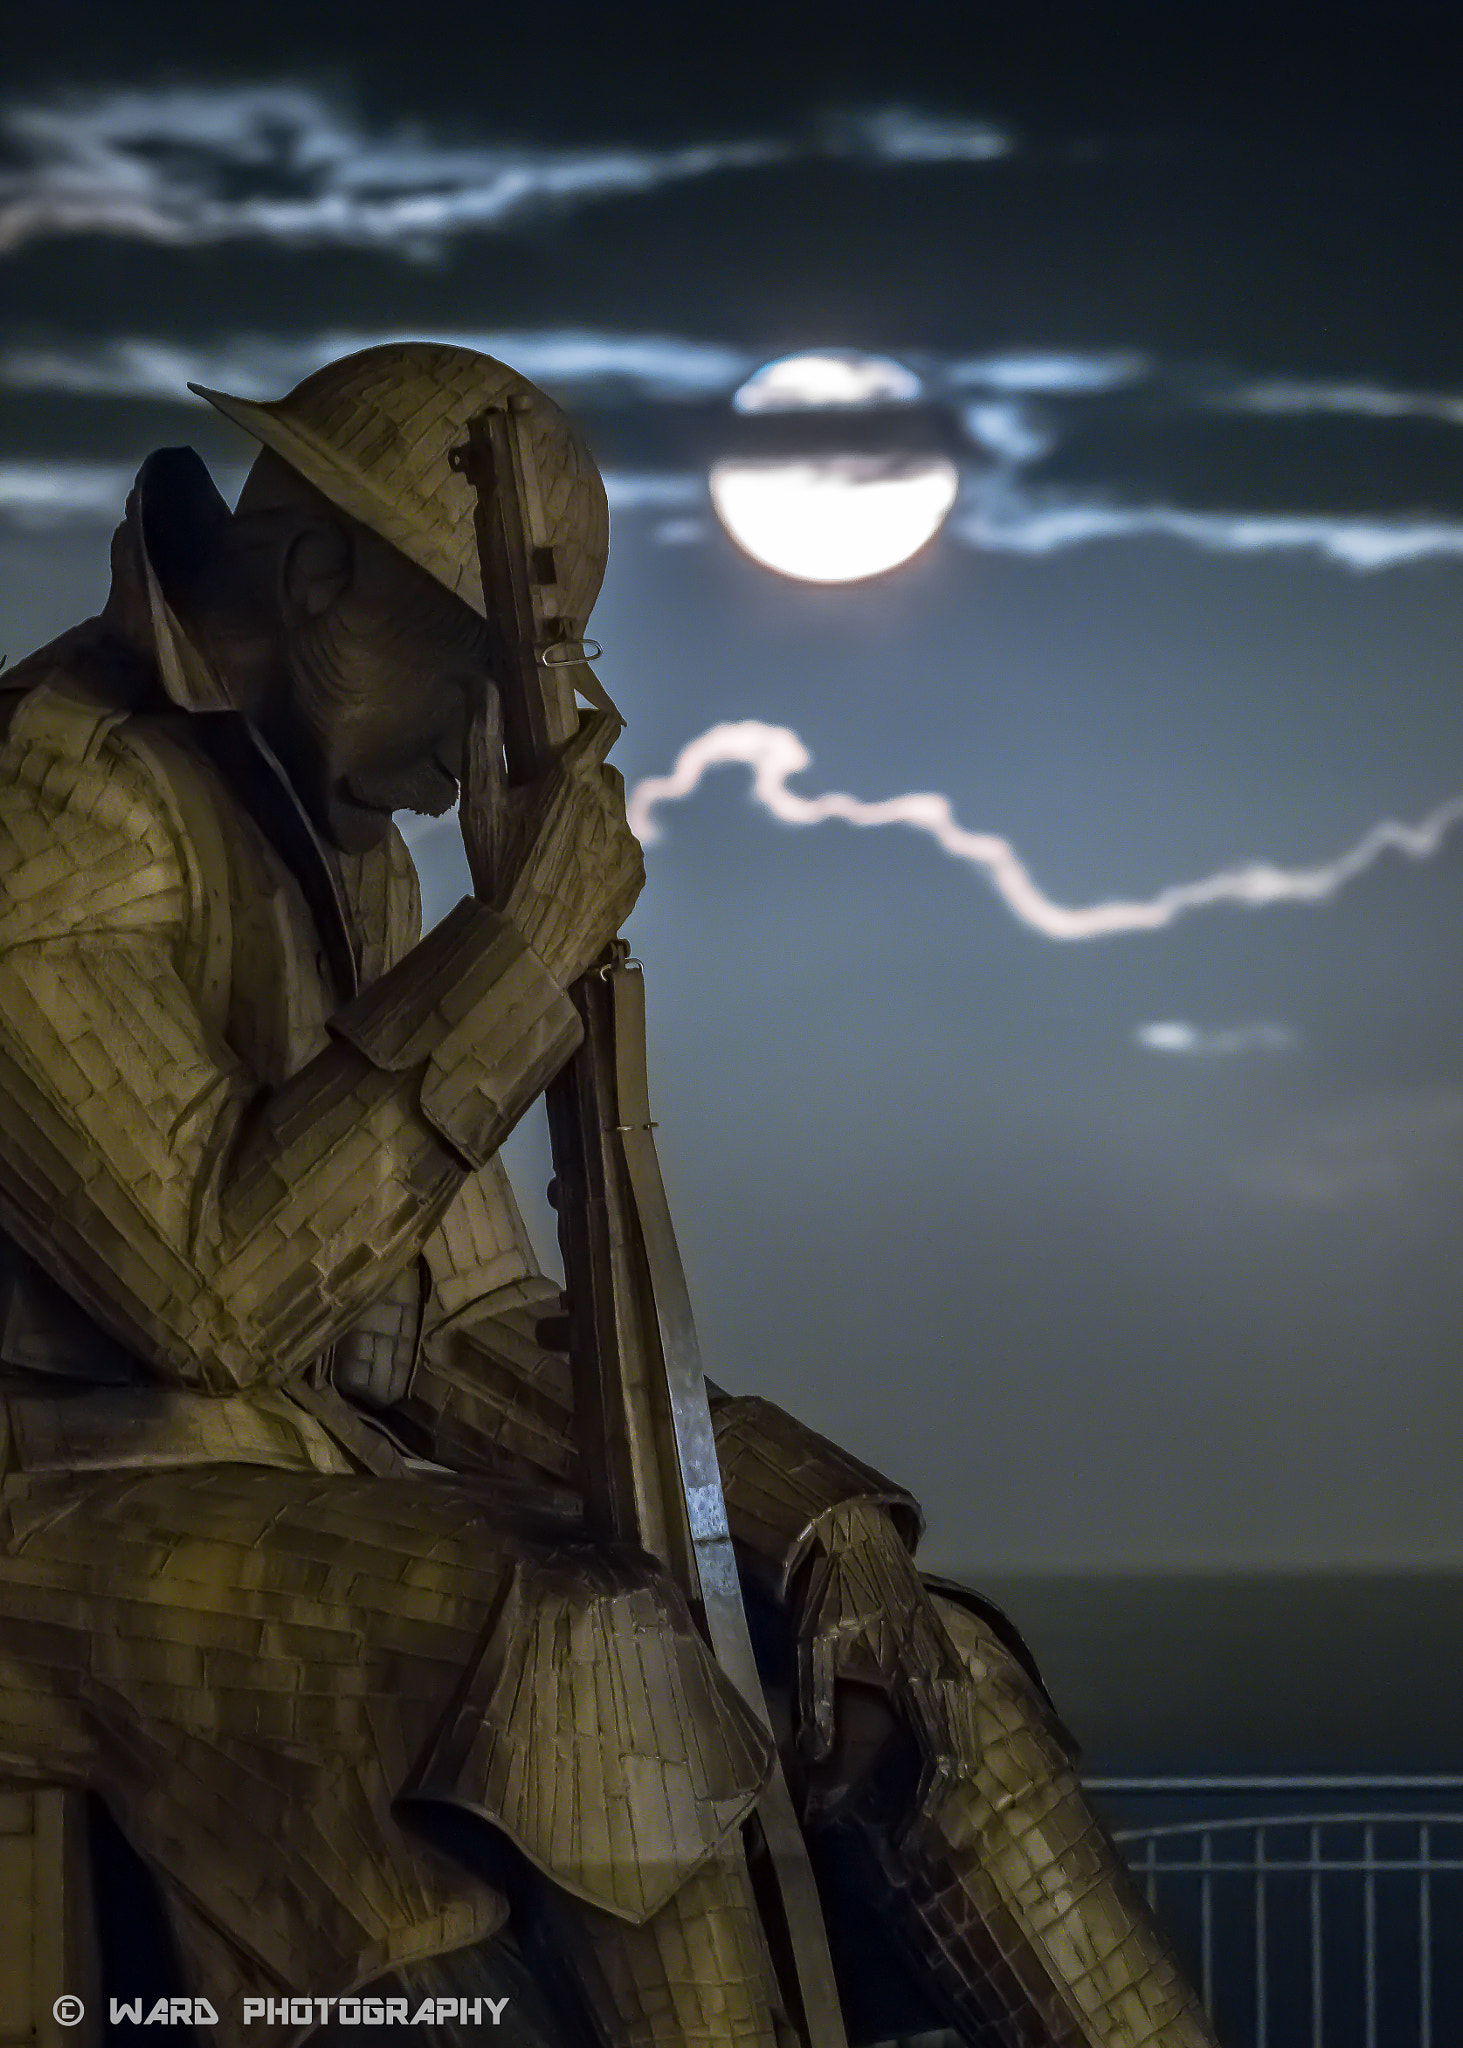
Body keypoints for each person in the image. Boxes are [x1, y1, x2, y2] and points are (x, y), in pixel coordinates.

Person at [0, 342, 1217, 2048]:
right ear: (326, 574)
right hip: (58, 1528)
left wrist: (806, 1527)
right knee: (603, 1659)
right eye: (486, 664)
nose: (507, 735)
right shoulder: (56, 800)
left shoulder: (347, 839)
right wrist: (510, 963)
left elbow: (470, 1316)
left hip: (305, 1508)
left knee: (929, 1673)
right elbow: (211, 1299)